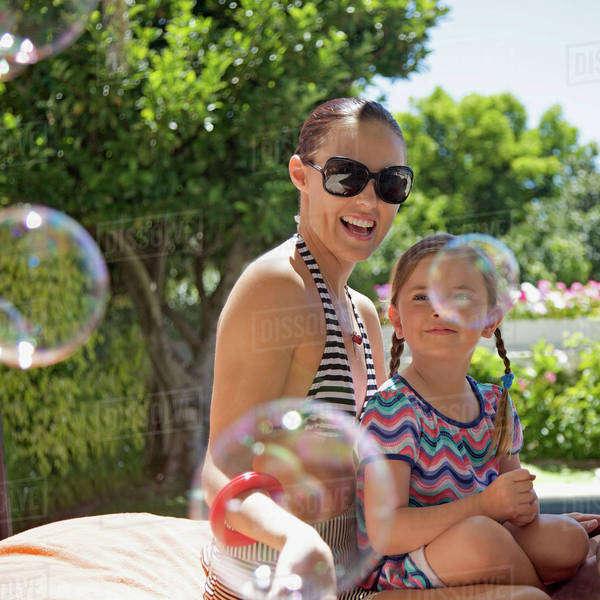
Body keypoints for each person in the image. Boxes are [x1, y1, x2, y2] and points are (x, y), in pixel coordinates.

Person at [195, 98, 597, 600]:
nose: (369, 201)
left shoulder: (362, 312)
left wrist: (523, 532)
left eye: (390, 184)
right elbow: (222, 469)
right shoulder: (280, 287)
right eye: (346, 176)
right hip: (280, 575)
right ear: (300, 175)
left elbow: (397, 461)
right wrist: (297, 539)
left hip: (356, 570)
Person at [357, 234, 598, 597]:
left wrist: (524, 508)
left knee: (566, 539)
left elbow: (513, 501)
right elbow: (387, 532)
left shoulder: (493, 403)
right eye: (422, 296)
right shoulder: (392, 408)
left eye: (459, 296)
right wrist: (483, 505)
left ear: (490, 320)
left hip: (478, 541)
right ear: (398, 320)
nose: (439, 307)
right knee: (479, 534)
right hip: (403, 565)